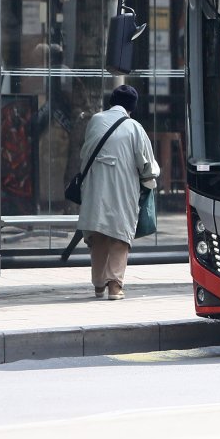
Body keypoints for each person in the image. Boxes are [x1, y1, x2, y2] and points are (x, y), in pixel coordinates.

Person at [75, 85, 160, 300]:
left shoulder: (95, 120)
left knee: (98, 234)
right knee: (119, 236)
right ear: (132, 106)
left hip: (94, 186)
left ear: (111, 101)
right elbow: (147, 164)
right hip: (123, 188)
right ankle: (114, 286)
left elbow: (85, 152)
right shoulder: (134, 127)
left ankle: (98, 285)